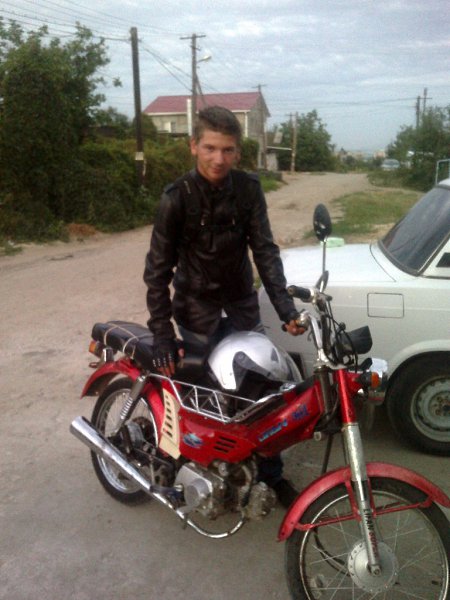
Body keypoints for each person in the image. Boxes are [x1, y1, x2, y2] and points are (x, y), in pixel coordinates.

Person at [143, 105, 304, 507]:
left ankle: (270, 476)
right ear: (193, 146)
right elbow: (157, 272)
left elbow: (264, 250)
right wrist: (162, 333)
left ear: (237, 152)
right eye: (210, 148)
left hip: (242, 307)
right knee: (196, 396)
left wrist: (286, 309)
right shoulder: (175, 198)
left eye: (228, 149)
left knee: (263, 394)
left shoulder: (248, 190)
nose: (219, 158)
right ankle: (179, 465)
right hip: (196, 313)